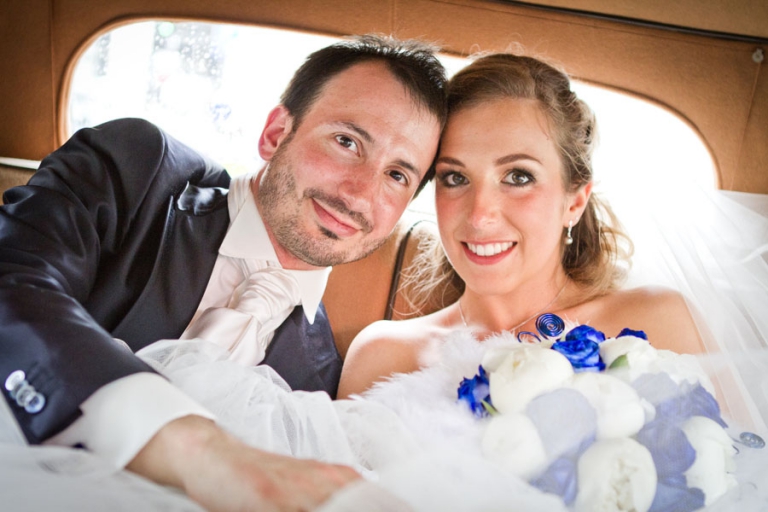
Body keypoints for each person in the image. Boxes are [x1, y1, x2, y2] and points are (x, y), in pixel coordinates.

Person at [0, 34, 446, 511]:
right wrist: (198, 452)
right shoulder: (138, 168)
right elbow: (13, 281)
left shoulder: (318, 383)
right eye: (347, 142)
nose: (359, 195)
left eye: (398, 175)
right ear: (276, 134)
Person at [338, 53, 705, 399]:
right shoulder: (382, 357)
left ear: (575, 201)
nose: (480, 216)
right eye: (454, 178)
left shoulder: (657, 323)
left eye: (518, 176)